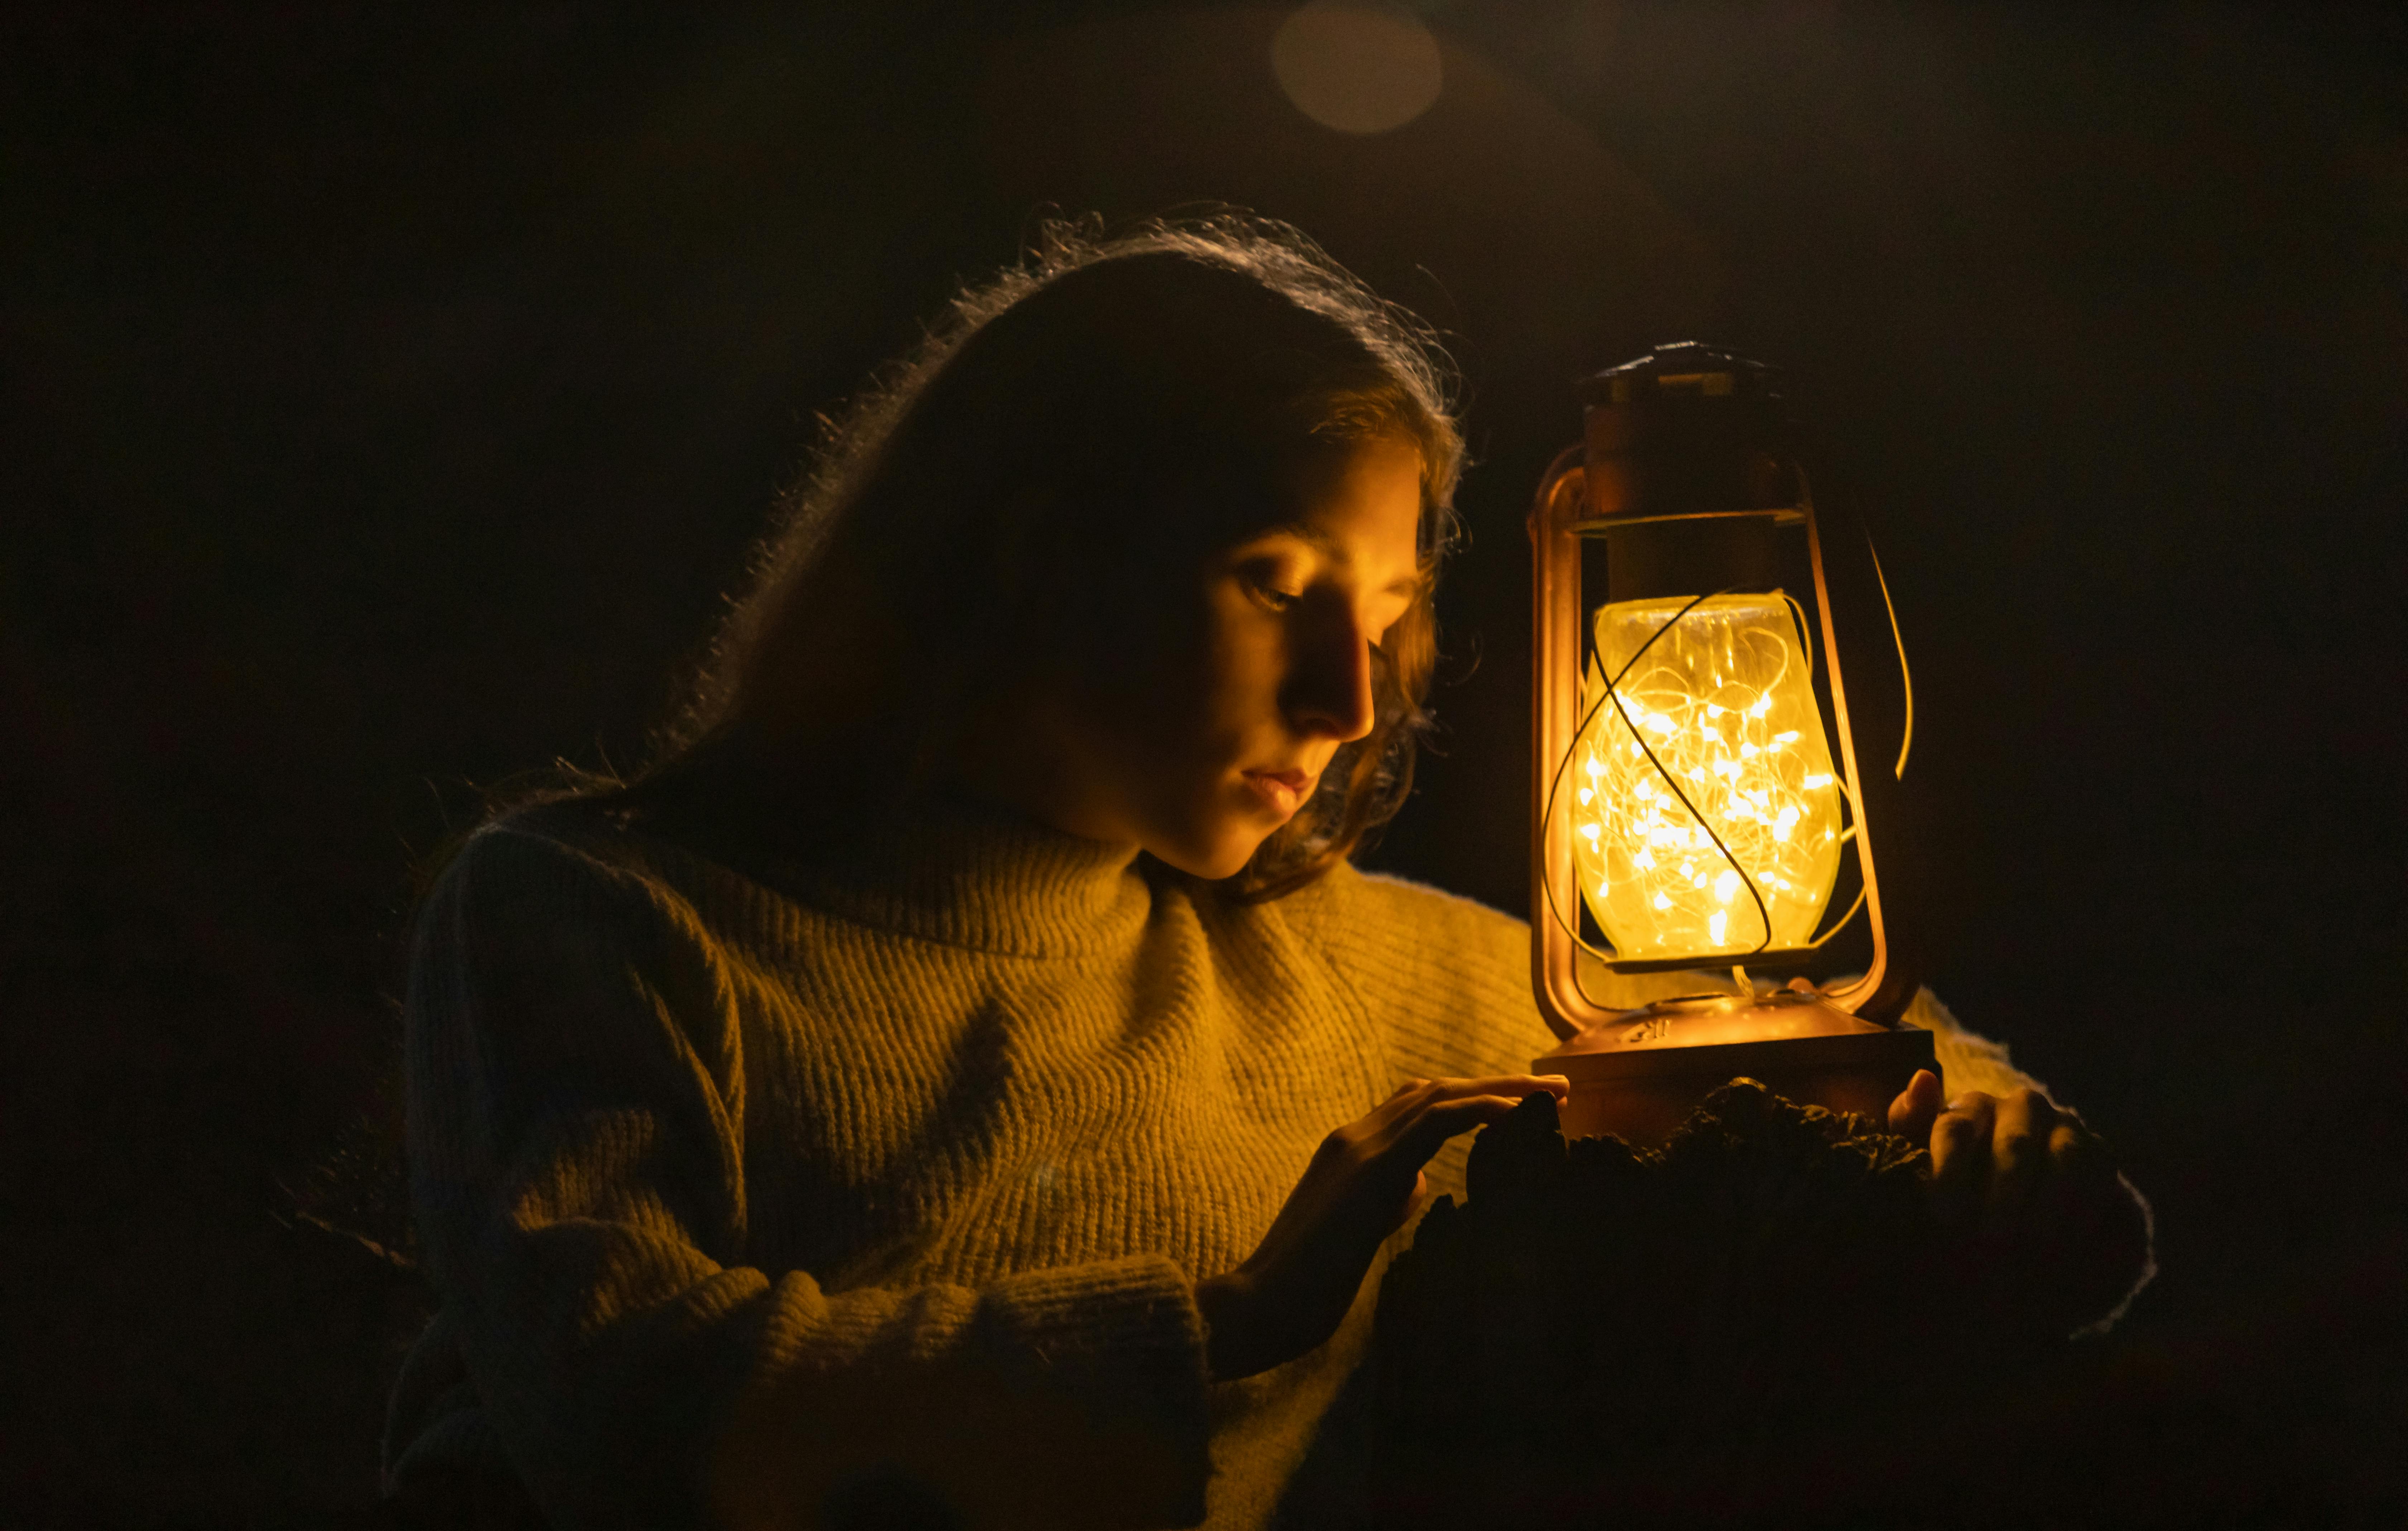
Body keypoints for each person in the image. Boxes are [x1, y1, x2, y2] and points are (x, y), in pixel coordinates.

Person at [381, 218, 2150, 1531]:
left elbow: (1800, 1024)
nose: (1348, 697)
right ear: (1020, 546)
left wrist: (1992, 1125)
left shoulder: (1347, 974)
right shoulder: (594, 916)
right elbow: (626, 1408)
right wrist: (1228, 1323)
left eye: (1387, 618)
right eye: (1275, 582)